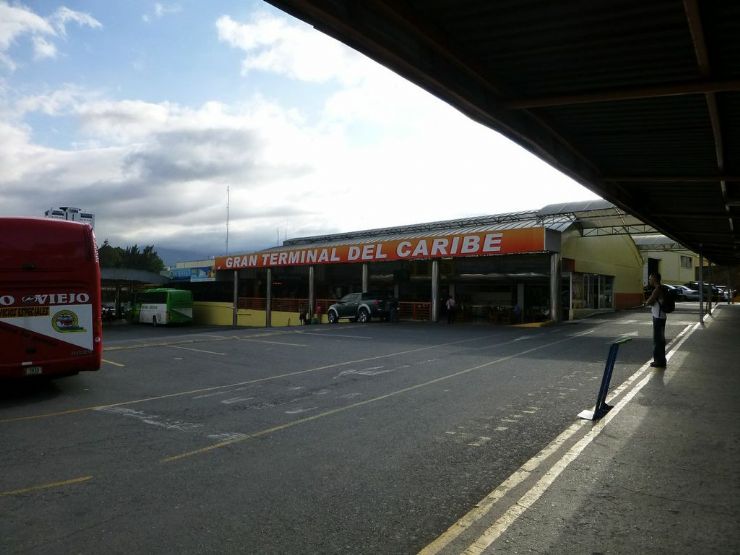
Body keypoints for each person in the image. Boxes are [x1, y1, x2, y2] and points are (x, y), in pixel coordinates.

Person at [644, 272, 667, 368]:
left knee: (657, 339)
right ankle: (661, 360)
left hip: (658, 317)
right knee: (660, 339)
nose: (649, 280)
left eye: (650, 278)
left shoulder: (657, 289)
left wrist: (646, 302)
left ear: (654, 279)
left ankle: (659, 361)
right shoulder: (662, 288)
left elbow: (649, 301)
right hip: (661, 316)